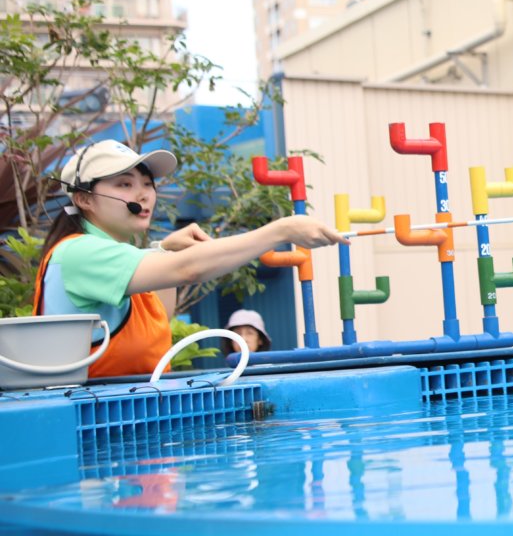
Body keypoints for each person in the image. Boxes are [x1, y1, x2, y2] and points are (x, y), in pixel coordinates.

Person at [33, 139, 346, 378]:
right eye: (125, 184)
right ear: (84, 198)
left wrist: (166, 251)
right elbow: (188, 270)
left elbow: (159, 321)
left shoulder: (120, 258)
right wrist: (282, 230)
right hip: (89, 429)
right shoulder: (80, 253)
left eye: (147, 184)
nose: (142, 194)